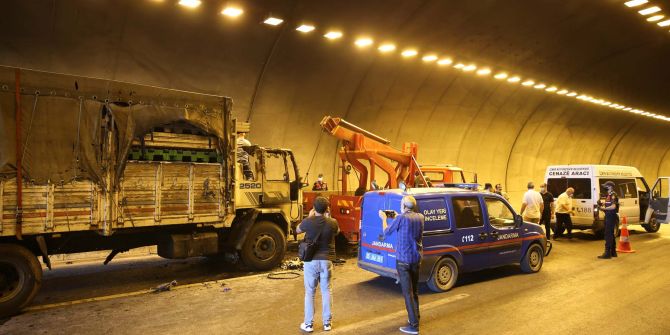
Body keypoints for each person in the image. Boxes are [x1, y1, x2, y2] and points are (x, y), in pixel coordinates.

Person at [378, 196, 424, 335]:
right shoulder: (420, 217)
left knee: (407, 293)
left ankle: (414, 326)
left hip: (403, 260)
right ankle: (416, 318)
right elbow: (407, 221)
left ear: (404, 205)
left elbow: (386, 232)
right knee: (414, 291)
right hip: (416, 258)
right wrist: (398, 216)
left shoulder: (401, 219)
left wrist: (384, 219)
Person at [296, 196, 340, 332]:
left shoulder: (308, 221)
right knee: (327, 291)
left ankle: (308, 324)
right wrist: (329, 216)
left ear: (314, 208)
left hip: (311, 261)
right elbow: (337, 232)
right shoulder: (333, 222)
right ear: (327, 209)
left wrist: (310, 216)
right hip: (327, 261)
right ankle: (327, 323)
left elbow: (297, 230)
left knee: (310, 292)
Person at [598, 181, 619, 259]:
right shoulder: (609, 195)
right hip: (609, 215)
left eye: (606, 186)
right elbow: (609, 204)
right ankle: (613, 252)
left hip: (611, 215)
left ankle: (607, 253)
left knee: (608, 234)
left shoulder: (613, 195)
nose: (604, 187)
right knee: (610, 233)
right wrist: (602, 205)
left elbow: (613, 206)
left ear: (610, 187)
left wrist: (604, 208)